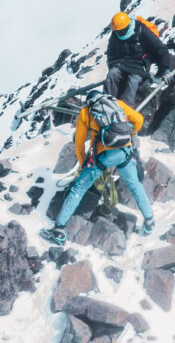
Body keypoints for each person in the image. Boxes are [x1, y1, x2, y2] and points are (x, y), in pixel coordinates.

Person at [41, 89, 153, 245]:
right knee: (135, 186)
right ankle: (149, 221)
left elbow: (79, 143)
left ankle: (58, 230)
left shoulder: (86, 112)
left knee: (78, 189)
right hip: (124, 151)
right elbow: (139, 119)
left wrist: (84, 165)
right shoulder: (116, 103)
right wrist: (129, 135)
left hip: (103, 157)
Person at [105, 12, 171, 105]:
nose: (118, 33)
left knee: (133, 81)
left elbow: (160, 48)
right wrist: (112, 65)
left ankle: (127, 109)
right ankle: (108, 104)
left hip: (140, 63)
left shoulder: (141, 30)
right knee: (112, 74)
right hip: (123, 63)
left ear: (127, 26)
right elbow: (111, 54)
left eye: (120, 31)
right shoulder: (115, 35)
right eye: (117, 31)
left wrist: (165, 69)